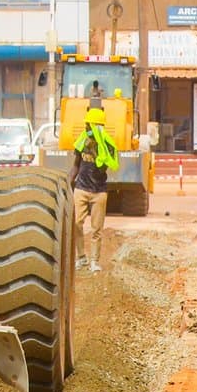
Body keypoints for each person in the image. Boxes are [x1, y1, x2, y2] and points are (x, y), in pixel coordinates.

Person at [71, 104, 119, 272]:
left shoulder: (107, 145)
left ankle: (94, 261)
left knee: (96, 229)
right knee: (76, 223)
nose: (86, 127)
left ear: (96, 126)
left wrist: (96, 150)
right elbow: (75, 165)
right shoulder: (82, 141)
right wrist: (68, 183)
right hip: (81, 188)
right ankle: (81, 258)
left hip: (99, 192)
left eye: (88, 124)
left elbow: (104, 167)